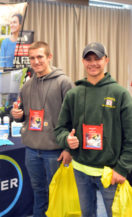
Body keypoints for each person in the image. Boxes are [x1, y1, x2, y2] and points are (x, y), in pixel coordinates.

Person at [55, 42, 132, 217]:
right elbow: (60, 128)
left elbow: (130, 135)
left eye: (97, 58)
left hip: (110, 173)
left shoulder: (120, 94)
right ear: (83, 62)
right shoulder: (73, 94)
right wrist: (67, 140)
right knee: (87, 214)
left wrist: (122, 168)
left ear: (106, 60)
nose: (93, 63)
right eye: (88, 59)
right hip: (80, 170)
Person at [11, 41, 73, 216]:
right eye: (32, 58)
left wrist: (69, 149)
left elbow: (74, 119)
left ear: (49, 57)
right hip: (32, 150)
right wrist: (17, 115)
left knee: (57, 194)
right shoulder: (27, 85)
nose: (36, 61)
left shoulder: (64, 82)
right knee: (39, 192)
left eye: (40, 57)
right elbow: (23, 113)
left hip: (55, 151)